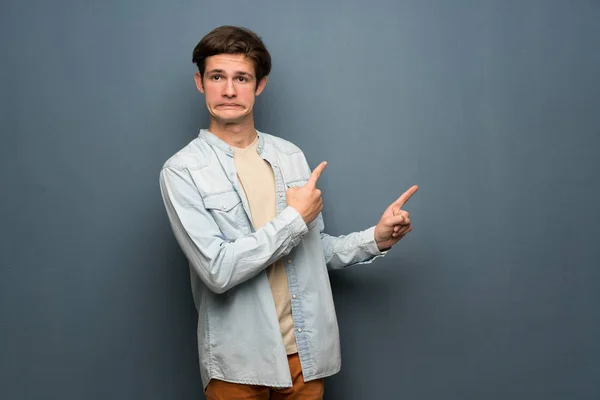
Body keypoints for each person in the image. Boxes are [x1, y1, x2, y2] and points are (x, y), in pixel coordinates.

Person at [159, 25, 418, 400]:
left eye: (241, 78)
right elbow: (217, 269)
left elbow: (312, 251)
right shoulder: (181, 170)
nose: (229, 90)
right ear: (200, 82)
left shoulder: (289, 156)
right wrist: (294, 219)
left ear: (259, 85)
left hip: (305, 356)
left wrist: (373, 239)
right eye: (217, 76)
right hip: (239, 360)